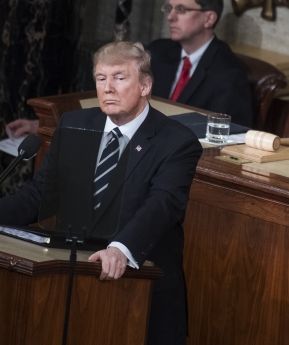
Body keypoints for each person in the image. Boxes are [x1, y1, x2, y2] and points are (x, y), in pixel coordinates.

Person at [0, 41, 203, 345]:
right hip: (73, 285)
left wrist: (122, 247)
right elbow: (39, 195)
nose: (108, 88)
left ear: (145, 85)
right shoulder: (74, 124)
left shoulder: (176, 141)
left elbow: (162, 204)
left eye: (120, 78)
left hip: (141, 290)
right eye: (100, 78)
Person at [148, 0, 252, 127]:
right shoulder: (157, 51)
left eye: (181, 9)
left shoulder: (229, 73)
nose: (170, 17)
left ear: (209, 19)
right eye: (169, 8)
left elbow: (231, 135)